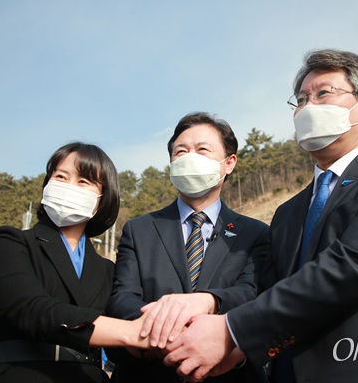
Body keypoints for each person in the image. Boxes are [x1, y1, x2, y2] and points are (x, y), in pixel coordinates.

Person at [161, 49, 358, 383]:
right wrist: (217, 313)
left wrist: (233, 329)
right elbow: (269, 289)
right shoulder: (288, 212)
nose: (308, 107)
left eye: (323, 94)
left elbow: (354, 265)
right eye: (301, 100)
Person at [106, 112, 270, 382]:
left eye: (202, 149)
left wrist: (209, 310)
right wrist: (170, 333)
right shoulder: (139, 229)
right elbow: (122, 298)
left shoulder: (256, 233)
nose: (189, 157)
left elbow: (250, 293)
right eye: (180, 151)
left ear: (229, 163)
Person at [0, 143, 149, 383]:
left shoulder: (107, 269)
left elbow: (120, 349)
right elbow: (31, 310)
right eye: (60, 176)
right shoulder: (10, 242)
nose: (69, 187)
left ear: (102, 198)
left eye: (83, 181)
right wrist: (130, 332)